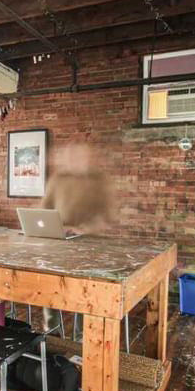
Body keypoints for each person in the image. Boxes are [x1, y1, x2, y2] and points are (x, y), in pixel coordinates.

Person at [39, 143, 113, 336]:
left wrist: (82, 229)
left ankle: (81, 339)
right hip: (59, 246)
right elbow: (43, 209)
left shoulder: (99, 180)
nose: (73, 161)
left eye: (78, 157)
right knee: (52, 288)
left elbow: (107, 217)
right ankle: (52, 335)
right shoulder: (58, 179)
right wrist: (51, 226)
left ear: (88, 159)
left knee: (83, 294)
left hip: (90, 248)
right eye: (70, 157)